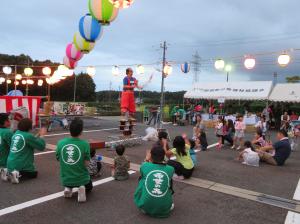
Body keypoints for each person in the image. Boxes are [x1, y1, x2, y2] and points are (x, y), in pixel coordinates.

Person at [56, 118, 92, 202]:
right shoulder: (85, 144)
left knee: (69, 182)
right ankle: (81, 187)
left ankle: (68, 188)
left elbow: (58, 158)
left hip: (66, 179)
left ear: (70, 129)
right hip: (82, 179)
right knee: (89, 186)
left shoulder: (60, 143)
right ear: (81, 131)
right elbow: (86, 163)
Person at [134, 145, 175, 218]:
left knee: (142, 180)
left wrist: (147, 158)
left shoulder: (144, 166)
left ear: (151, 156)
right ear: (163, 156)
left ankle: (144, 201)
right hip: (164, 209)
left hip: (144, 208)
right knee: (168, 181)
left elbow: (144, 168)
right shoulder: (171, 169)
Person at [7, 118, 46, 184]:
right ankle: (17, 174)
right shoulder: (28, 136)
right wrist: (42, 135)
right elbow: (41, 147)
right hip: (20, 165)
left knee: (13, 168)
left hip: (10, 163)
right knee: (33, 174)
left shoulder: (16, 133)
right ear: (29, 126)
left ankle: (8, 172)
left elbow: (31, 140)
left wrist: (38, 134)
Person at [0, 113, 14, 181]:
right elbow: (14, 146)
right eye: (9, 119)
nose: (10, 120)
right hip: (5, 160)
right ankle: (8, 171)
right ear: (5, 122)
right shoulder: (7, 132)